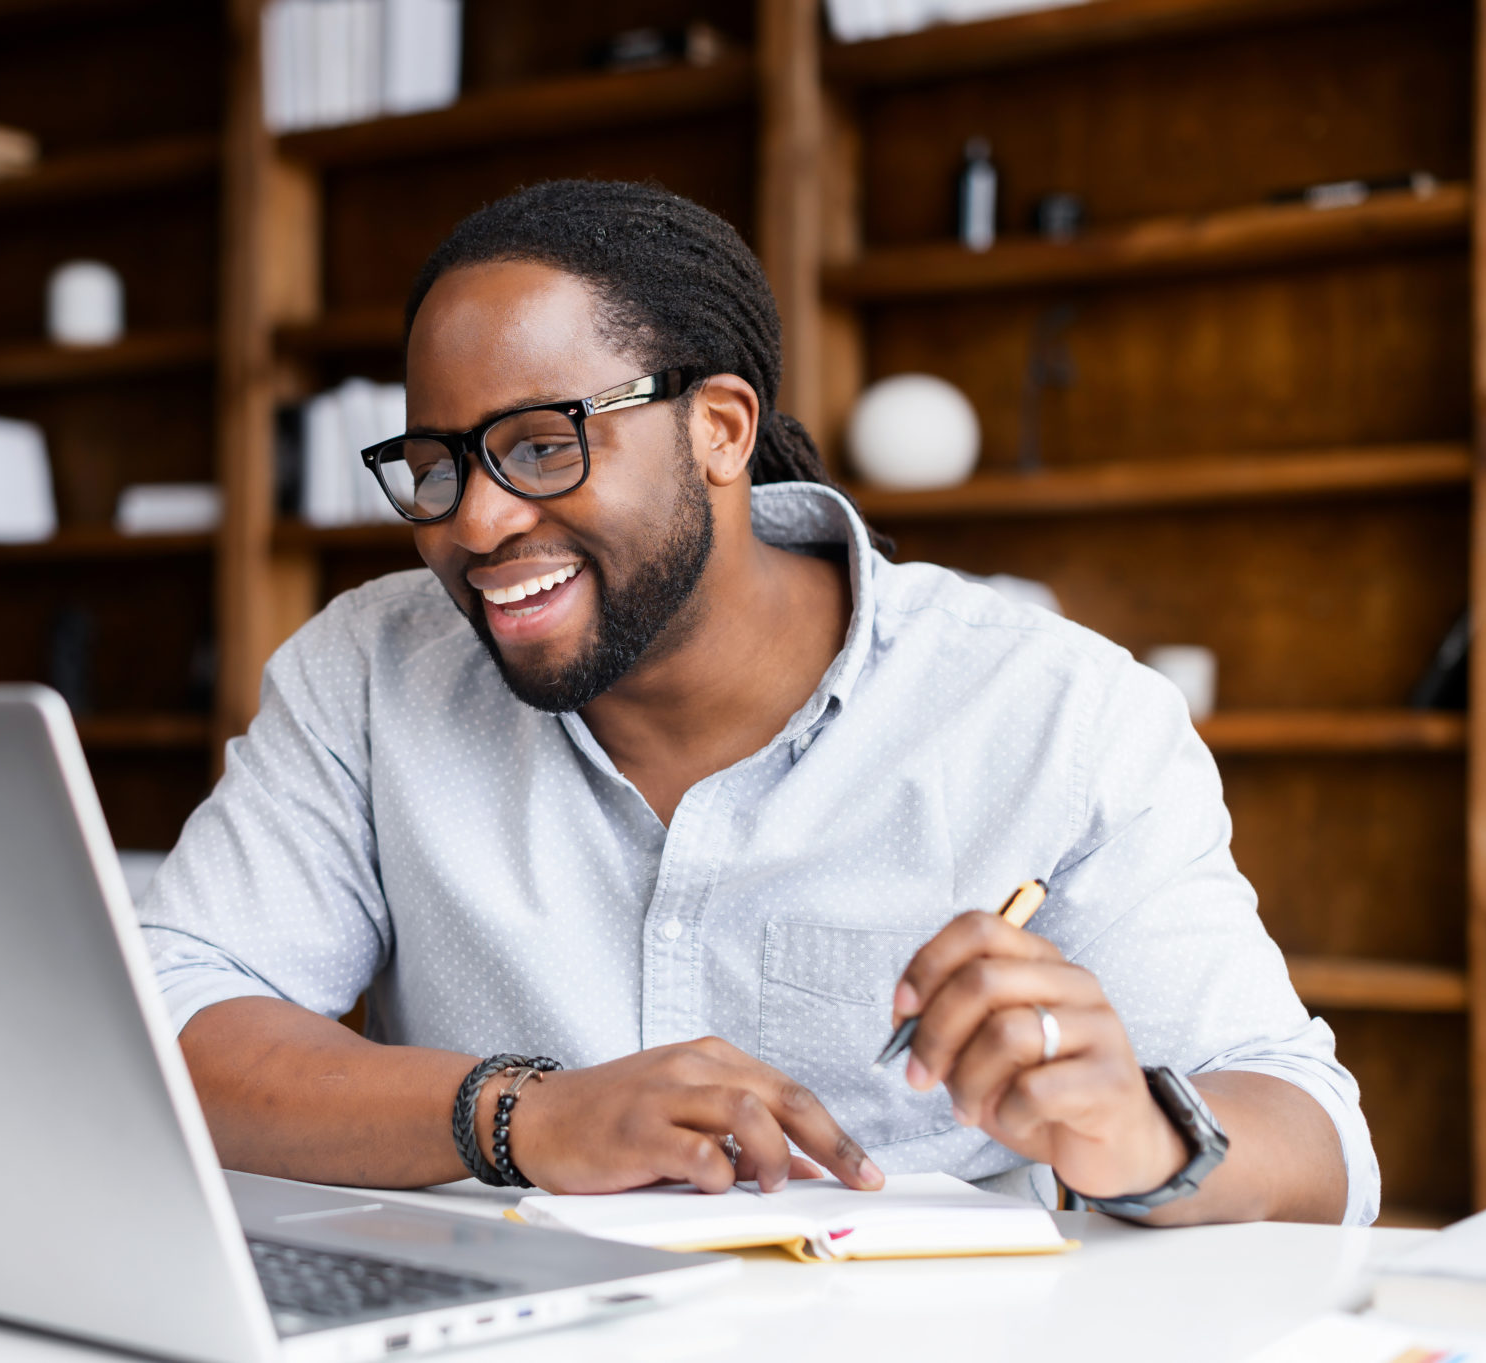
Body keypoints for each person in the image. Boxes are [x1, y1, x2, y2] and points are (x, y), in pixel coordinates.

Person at [140, 179, 1375, 1225]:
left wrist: (1143, 1135)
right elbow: (170, 1018)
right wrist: (519, 1114)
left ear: (720, 428)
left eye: (539, 445)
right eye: (435, 463)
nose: (475, 521)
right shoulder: (366, 671)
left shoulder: (1051, 711)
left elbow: (1315, 1140)